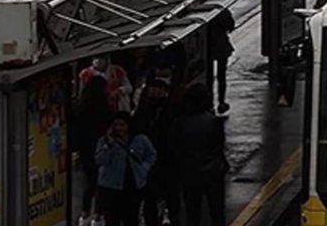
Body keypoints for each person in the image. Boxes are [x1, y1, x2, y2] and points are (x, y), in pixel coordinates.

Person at [169, 84, 228, 226]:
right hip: (213, 170)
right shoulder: (214, 122)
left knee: (192, 212)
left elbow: (174, 146)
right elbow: (219, 145)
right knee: (217, 211)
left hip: (190, 171)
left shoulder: (179, 123)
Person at [134, 73, 180, 226]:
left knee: (168, 198)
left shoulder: (171, 110)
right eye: (154, 89)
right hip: (151, 162)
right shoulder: (144, 111)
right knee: (151, 199)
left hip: (167, 160)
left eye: (159, 89)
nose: (156, 92)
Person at [96, 113, 157, 226]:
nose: (119, 128)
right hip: (111, 185)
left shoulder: (140, 139)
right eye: (116, 125)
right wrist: (110, 145)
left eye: (122, 125)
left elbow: (151, 154)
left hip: (133, 184)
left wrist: (144, 168)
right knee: (112, 219)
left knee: (131, 217)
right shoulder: (105, 141)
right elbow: (100, 160)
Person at [75, 77, 114, 226]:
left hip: (85, 149)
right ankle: (98, 215)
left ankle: (84, 213)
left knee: (89, 182)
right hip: (101, 148)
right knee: (101, 183)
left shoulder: (80, 107)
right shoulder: (104, 109)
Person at [208, 10, 234, 114]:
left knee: (209, 77)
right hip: (222, 45)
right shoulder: (223, 11)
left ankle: (209, 102)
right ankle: (221, 101)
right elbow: (230, 26)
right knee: (221, 76)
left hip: (208, 46)